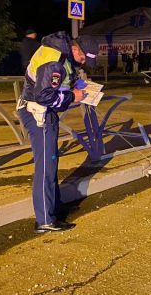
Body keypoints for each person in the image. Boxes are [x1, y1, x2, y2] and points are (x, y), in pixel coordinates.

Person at [18, 31, 98, 233]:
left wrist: (76, 87)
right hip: (38, 113)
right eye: (82, 59)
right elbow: (44, 95)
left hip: (43, 112)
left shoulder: (61, 56)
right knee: (46, 164)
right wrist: (73, 96)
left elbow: (57, 85)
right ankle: (45, 219)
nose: (83, 64)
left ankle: (53, 208)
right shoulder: (55, 61)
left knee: (51, 161)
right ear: (75, 48)